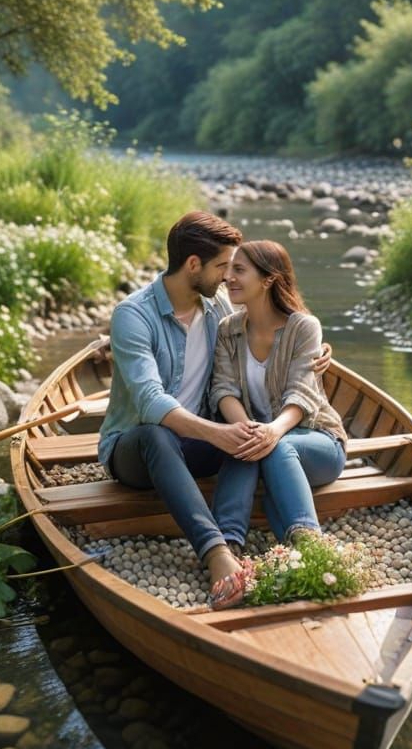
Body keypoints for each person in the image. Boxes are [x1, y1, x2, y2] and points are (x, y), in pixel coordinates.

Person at [96, 212, 330, 609]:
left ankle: (237, 540)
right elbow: (150, 401)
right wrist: (215, 432)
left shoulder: (219, 310)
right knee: (161, 433)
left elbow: (276, 324)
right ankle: (216, 554)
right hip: (135, 449)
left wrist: (323, 350)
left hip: (197, 445)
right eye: (222, 266)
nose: (227, 277)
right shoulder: (134, 315)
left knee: (245, 432)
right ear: (193, 265)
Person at [207, 240, 348, 609]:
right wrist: (249, 429)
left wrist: (271, 431)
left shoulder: (304, 327)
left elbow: (303, 396)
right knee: (242, 443)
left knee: (274, 445)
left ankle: (313, 550)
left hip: (316, 441)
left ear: (268, 280)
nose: (228, 277)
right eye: (228, 269)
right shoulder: (227, 329)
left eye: (239, 270)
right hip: (264, 441)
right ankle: (229, 553)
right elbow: (222, 388)